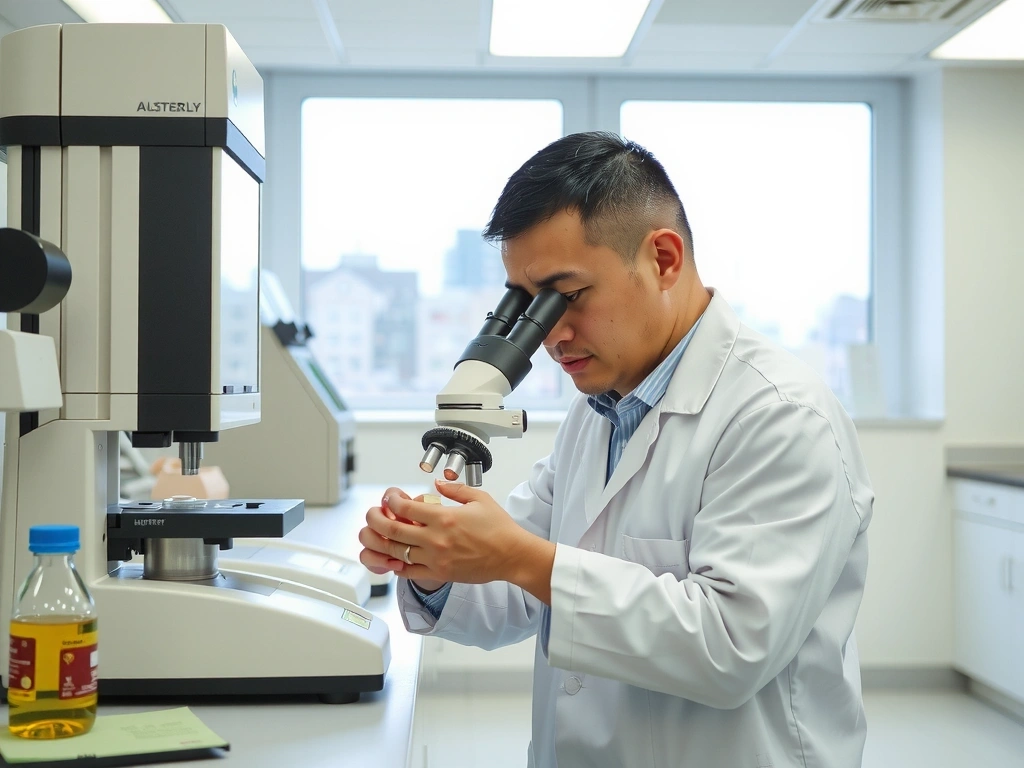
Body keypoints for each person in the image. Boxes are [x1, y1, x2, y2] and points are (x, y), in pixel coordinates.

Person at [358, 131, 873, 768]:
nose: (549, 336)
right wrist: (437, 564)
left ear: (662, 259)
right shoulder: (599, 412)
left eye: (566, 296)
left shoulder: (782, 417)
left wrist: (522, 557)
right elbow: (520, 586)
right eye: (526, 305)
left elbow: (732, 648)